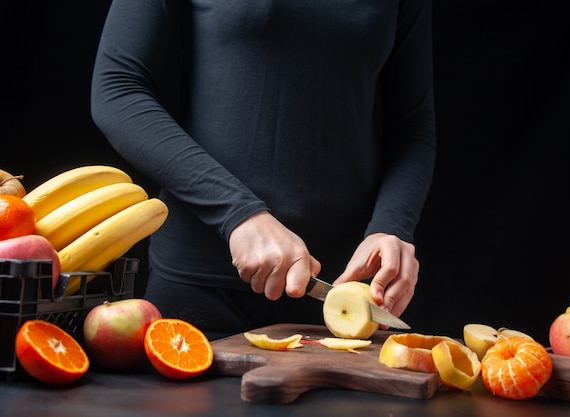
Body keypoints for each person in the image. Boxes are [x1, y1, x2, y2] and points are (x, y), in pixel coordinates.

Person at [90, 0, 436, 341]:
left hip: (350, 297)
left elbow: (411, 123)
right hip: (205, 292)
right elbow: (118, 89)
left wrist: (392, 227)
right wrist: (238, 213)